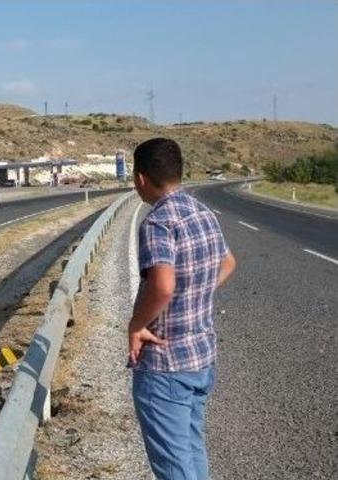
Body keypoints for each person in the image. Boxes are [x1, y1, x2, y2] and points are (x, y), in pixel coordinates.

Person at [128, 138, 236, 479]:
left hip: (166, 365)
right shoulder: (203, 212)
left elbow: (162, 286)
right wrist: (195, 292)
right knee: (190, 450)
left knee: (174, 466)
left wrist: (136, 325)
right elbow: (228, 263)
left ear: (141, 178)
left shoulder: (158, 222)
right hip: (201, 357)